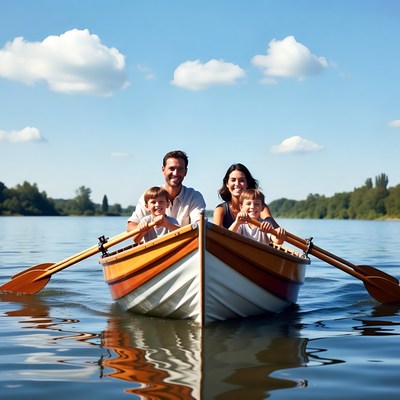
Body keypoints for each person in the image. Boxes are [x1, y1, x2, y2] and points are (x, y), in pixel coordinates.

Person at [127, 150, 206, 231]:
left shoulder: (194, 197)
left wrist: (168, 224)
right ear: (163, 170)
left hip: (185, 243)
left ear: (185, 172)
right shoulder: (150, 195)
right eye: (171, 169)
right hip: (154, 244)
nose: (175, 173)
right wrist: (142, 228)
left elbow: (200, 227)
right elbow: (131, 226)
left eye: (180, 169)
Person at [213, 163, 278, 230]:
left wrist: (268, 222)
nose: (237, 184)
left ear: (247, 183)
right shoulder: (221, 209)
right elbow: (214, 234)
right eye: (233, 180)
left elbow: (275, 227)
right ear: (227, 184)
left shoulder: (259, 207)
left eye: (241, 180)